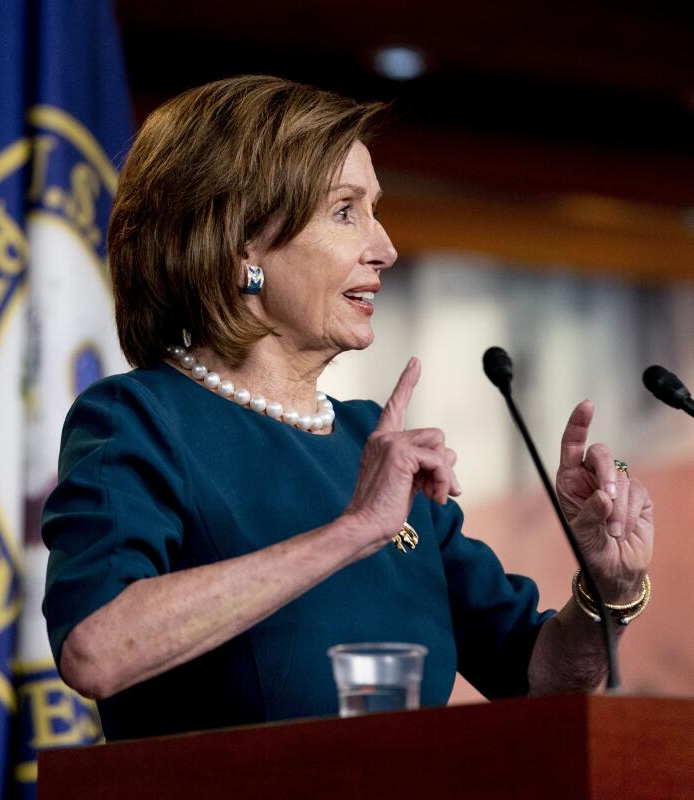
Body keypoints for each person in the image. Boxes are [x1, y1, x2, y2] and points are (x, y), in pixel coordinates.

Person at [40, 75, 655, 741]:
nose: (385, 247)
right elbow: (95, 651)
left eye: (376, 210)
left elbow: (539, 678)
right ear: (240, 241)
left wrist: (609, 592)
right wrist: (351, 530)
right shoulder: (139, 420)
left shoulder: (371, 440)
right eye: (345, 211)